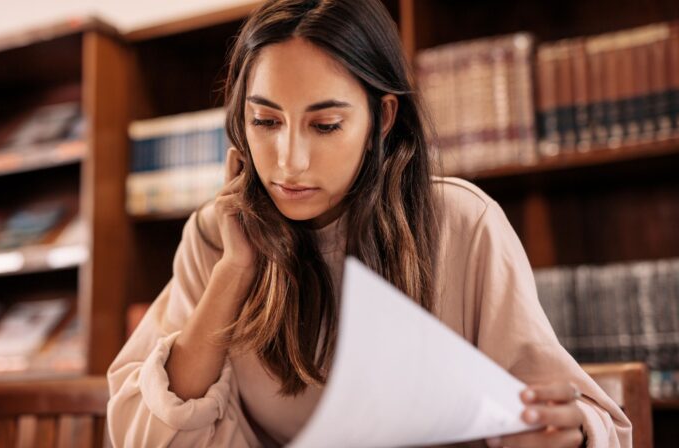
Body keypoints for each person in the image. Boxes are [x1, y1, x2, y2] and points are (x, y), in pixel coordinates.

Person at [107, 0, 631, 446]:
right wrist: (234, 272)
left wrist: (566, 431)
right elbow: (145, 433)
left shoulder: (462, 224)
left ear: (381, 119)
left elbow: (583, 419)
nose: (289, 161)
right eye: (264, 121)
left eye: (326, 125)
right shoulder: (216, 235)